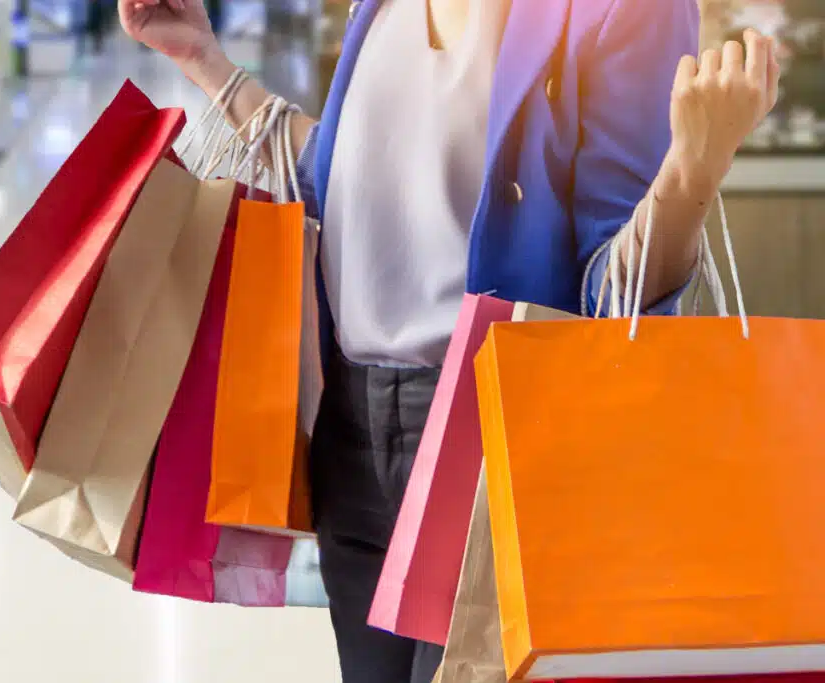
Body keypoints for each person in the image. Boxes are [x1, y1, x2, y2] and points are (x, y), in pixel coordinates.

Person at [118, 0, 780, 682]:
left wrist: (694, 170)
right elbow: (339, 173)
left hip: (495, 439)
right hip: (353, 433)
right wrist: (205, 61)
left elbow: (611, 299)